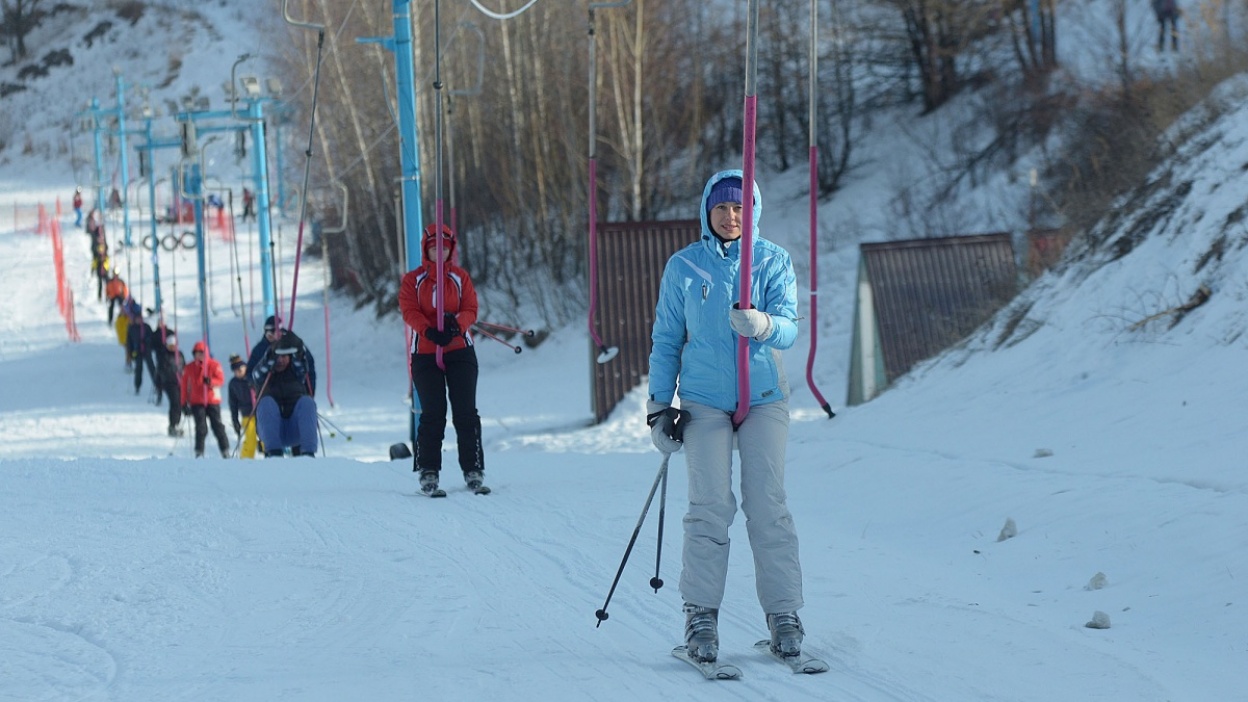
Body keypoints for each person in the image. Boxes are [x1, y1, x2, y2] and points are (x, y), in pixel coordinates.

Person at [647, 170, 806, 664]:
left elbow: (788, 328)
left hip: (761, 397)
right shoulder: (684, 267)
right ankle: (701, 616)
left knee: (768, 505)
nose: (730, 216)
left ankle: (784, 615)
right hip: (704, 400)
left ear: (752, 212)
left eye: (739, 208)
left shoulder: (772, 260)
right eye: (721, 208)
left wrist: (762, 324)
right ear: (706, 211)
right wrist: (659, 406)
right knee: (710, 506)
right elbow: (667, 339)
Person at [398, 223, 486, 496]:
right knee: (433, 412)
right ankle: (428, 470)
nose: (440, 253)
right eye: (435, 249)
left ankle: (473, 468)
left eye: (444, 249)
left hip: (459, 350)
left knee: (465, 412)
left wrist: (455, 326)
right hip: (426, 353)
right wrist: (428, 330)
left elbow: (470, 308)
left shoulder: (460, 278)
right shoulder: (413, 280)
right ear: (427, 250)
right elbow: (409, 309)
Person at [250, 332, 318, 457]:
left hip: (294, 427)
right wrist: (270, 358)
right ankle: (274, 454)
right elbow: (256, 374)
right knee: (266, 403)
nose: (280, 361)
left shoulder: (296, 372)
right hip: (272, 431)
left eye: (284, 357)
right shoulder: (264, 375)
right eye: (278, 357)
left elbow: (303, 367)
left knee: (307, 402)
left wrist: (299, 350)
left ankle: (309, 454)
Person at [181, 341, 231, 458]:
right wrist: (184, 403)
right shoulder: (189, 367)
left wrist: (210, 382)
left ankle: (225, 450)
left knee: (217, 426)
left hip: (212, 400)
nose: (199, 356)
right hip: (197, 402)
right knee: (200, 427)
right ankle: (199, 452)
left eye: (201, 353)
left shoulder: (214, 365)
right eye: (197, 353)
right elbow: (184, 386)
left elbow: (220, 379)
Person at [247, 315, 316, 396]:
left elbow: (307, 365)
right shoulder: (260, 349)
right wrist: (256, 384)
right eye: (267, 332)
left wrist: (309, 390)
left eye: (273, 331)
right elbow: (251, 372)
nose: (270, 335)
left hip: (293, 389)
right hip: (270, 391)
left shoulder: (291, 344)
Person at [153, 331, 185, 436]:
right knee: (175, 402)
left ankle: (176, 423)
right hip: (169, 383)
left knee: (180, 403)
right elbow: (161, 370)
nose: (172, 348)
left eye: (174, 346)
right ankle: (173, 424)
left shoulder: (179, 355)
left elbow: (183, 366)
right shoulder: (163, 355)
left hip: (179, 382)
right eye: (170, 346)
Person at [227, 354, 259, 459]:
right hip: (247, 415)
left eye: (241, 368)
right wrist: (235, 420)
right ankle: (245, 459)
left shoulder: (253, 377)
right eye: (236, 370)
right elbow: (233, 404)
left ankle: (269, 456)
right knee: (250, 439)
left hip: (259, 412)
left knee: (264, 438)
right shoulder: (233, 384)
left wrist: (253, 385)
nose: (239, 371)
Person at [126, 303, 157, 391]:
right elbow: (129, 342)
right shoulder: (132, 329)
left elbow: (152, 338)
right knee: (138, 369)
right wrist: (130, 353)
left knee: (151, 368)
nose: (139, 320)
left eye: (140, 318)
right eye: (137, 318)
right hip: (137, 350)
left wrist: (148, 341)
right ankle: (137, 386)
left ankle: (156, 384)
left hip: (146, 350)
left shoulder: (146, 327)